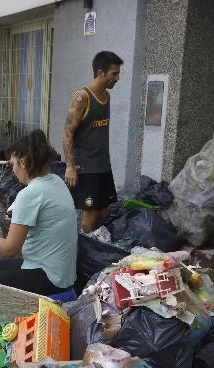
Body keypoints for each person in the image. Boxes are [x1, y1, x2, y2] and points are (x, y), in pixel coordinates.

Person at [0, 130, 77, 324]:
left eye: (13, 164)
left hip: (47, 276)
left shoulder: (29, 195)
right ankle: (6, 319)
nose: (12, 170)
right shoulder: (55, 181)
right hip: (63, 271)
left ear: (23, 162)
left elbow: (10, 249)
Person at [63, 51, 123, 233]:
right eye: (114, 73)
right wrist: (71, 166)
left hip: (103, 165)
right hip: (86, 167)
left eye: (118, 73)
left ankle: (93, 248)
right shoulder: (82, 98)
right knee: (89, 215)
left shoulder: (106, 96)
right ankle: (82, 253)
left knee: (103, 211)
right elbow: (67, 133)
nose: (118, 78)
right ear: (100, 72)